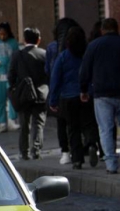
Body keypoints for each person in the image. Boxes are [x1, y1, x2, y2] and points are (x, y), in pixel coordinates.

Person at [49, 26, 99, 169]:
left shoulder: (63, 57)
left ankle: (77, 159)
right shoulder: (87, 54)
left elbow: (55, 79)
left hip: (68, 98)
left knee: (73, 129)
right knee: (89, 124)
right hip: (87, 94)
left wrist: (53, 100)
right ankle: (91, 143)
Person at [79, 18, 120, 174]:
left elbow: (84, 71)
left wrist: (83, 90)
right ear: (117, 28)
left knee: (105, 129)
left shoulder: (94, 46)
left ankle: (111, 165)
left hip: (102, 94)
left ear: (102, 30)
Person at [9, 27, 48, 160]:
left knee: (24, 124)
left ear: (24, 40)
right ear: (39, 39)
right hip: (41, 94)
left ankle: (24, 152)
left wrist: (15, 89)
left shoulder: (17, 55)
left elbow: (11, 76)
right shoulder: (44, 54)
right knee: (38, 123)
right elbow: (49, 74)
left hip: (24, 94)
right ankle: (36, 150)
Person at [46, 18, 79, 165]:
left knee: (62, 123)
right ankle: (82, 150)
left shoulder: (52, 47)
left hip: (60, 92)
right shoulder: (81, 46)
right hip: (79, 91)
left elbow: (49, 71)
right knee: (77, 124)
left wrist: (52, 98)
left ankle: (65, 152)